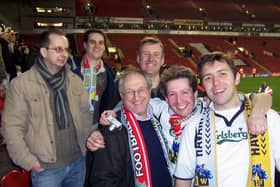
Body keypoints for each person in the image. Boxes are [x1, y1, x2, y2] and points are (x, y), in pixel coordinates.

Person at [98, 65, 271, 176]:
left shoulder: (208, 107)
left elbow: (257, 97)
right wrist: (108, 117)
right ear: (165, 97)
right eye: (172, 94)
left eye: (185, 93)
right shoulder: (160, 108)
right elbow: (134, 100)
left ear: (196, 94)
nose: (179, 101)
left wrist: (257, 112)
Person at [1, 29, 93, 187]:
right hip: (46, 170)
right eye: (58, 49)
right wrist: (29, 161)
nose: (64, 54)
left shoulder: (75, 81)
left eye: (66, 49)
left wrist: (86, 146)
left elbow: (85, 115)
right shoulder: (21, 84)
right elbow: (11, 128)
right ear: (43, 52)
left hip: (78, 163)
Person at [174, 52, 280, 187]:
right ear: (203, 86)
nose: (216, 83)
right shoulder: (193, 127)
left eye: (222, 74)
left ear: (236, 78)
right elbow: (183, 180)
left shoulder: (268, 118)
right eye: (208, 78)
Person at [85, 67, 172, 187]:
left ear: (149, 91)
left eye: (141, 90)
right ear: (121, 95)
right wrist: (95, 131)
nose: (136, 97)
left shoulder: (159, 118)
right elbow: (103, 181)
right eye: (130, 92)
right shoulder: (112, 131)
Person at [73, 29, 120, 126]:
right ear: (85, 45)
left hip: (96, 128)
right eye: (92, 42)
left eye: (101, 43)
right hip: (73, 128)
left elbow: (112, 104)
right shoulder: (71, 67)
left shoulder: (109, 73)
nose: (97, 46)